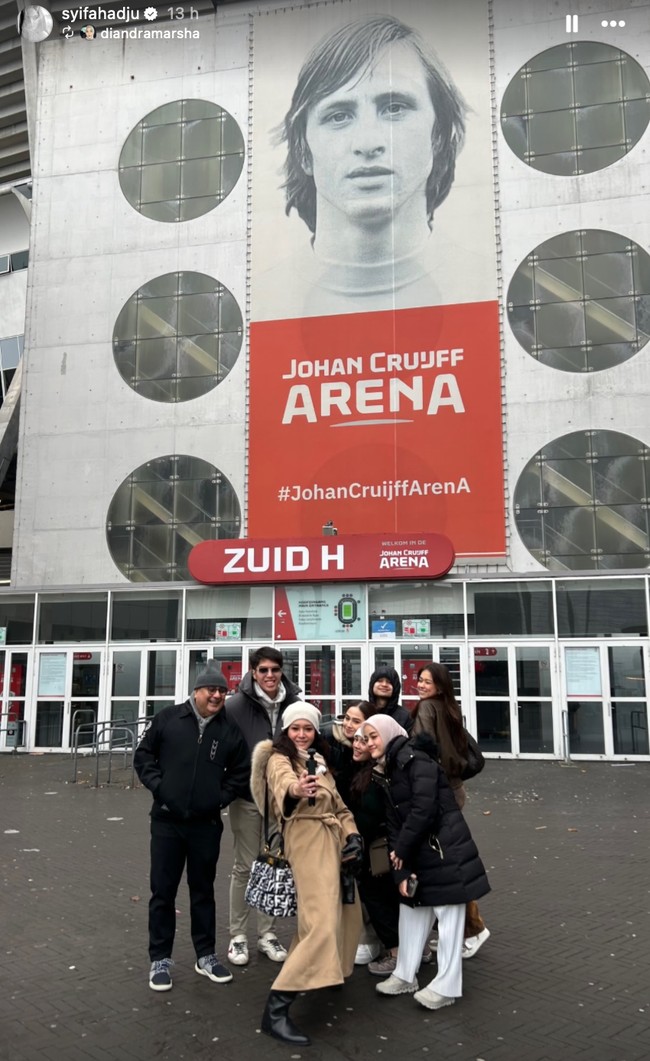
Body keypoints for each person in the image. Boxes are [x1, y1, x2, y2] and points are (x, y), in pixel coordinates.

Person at [257, 14, 467, 318]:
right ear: (303, 150)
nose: (368, 143)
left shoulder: (489, 287)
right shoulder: (264, 303)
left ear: (437, 135)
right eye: (338, 115)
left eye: (394, 108)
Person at [360, 714, 490, 1010]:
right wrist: (401, 866)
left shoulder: (417, 761)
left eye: (373, 736)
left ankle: (446, 986)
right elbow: (393, 820)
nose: (368, 743)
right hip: (419, 852)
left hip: (445, 851)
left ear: (389, 734)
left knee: (449, 917)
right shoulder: (388, 769)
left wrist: (401, 851)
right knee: (411, 909)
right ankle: (405, 974)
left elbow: (424, 809)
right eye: (365, 738)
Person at [133, 662, 250, 992]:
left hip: (206, 824)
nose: (216, 696)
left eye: (221, 691)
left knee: (203, 891)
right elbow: (143, 756)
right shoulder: (169, 719)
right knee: (163, 892)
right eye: (210, 690)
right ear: (196, 691)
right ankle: (160, 959)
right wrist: (161, 788)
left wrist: (218, 798)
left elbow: (240, 773)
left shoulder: (228, 729)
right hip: (167, 822)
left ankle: (206, 956)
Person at [251, 702, 363, 1045]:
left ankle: (326, 975)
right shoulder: (278, 758)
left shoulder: (320, 761)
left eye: (308, 728)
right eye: (296, 728)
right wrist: (298, 789)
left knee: (346, 913)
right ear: (285, 730)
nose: (302, 734)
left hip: (332, 842)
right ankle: (277, 1007)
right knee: (320, 922)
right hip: (305, 838)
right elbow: (284, 786)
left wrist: (352, 835)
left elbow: (339, 806)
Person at [225, 646, 301, 967]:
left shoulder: (294, 703)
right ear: (253, 672)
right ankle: (238, 936)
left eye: (275, 669)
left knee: (273, 864)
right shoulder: (235, 706)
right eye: (263, 670)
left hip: (280, 798)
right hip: (246, 797)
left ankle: (266, 934)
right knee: (245, 865)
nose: (270, 675)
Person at [412, 662, 490, 956]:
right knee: (445, 863)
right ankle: (457, 930)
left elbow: (423, 753)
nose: (420, 685)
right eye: (419, 680)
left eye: (427, 682)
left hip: (438, 794)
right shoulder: (449, 709)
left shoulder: (426, 710)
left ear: (440, 686)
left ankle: (474, 929)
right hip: (454, 790)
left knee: (444, 867)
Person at [368, 665, 412, 732]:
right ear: (372, 685)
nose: (384, 684)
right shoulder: (364, 711)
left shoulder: (406, 717)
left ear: (395, 687)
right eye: (380, 681)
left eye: (389, 682)